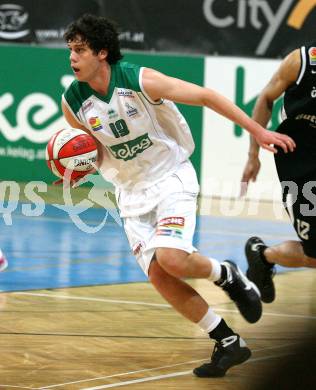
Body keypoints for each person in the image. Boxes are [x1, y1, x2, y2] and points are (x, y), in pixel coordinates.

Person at [61, 14, 295, 377]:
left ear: (102, 53)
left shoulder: (139, 80)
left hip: (171, 176)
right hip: (131, 192)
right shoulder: (73, 102)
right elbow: (94, 150)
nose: (72, 58)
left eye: (80, 50)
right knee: (159, 275)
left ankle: (227, 274)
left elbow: (206, 96)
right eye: (70, 51)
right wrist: (81, 168)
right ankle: (227, 341)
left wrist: (257, 132)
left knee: (172, 257)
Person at [241, 43, 316, 304]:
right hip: (300, 160)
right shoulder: (302, 60)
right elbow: (265, 99)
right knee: (314, 255)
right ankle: (263, 255)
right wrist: (253, 155)